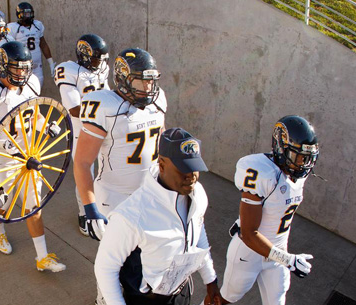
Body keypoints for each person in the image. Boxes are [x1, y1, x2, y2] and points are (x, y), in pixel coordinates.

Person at [95, 128, 221, 305]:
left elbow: (198, 231)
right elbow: (105, 267)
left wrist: (211, 280)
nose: (191, 177)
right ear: (161, 165)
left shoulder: (197, 193)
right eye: (184, 170)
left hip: (181, 291)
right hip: (146, 299)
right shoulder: (132, 215)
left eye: (195, 168)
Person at [0, 41, 65, 272]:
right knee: (4, 202)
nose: (22, 73)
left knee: (34, 205)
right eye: (16, 68)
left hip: (29, 152)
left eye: (25, 68)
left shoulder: (32, 83)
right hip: (2, 155)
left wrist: (46, 126)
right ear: (4, 67)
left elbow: (34, 116)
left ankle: (42, 257)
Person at [219, 116, 319, 305]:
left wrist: (283, 257)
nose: (303, 163)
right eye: (299, 156)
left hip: (278, 251)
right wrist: (287, 259)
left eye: (307, 158)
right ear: (282, 148)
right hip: (249, 252)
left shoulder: (298, 175)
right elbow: (249, 234)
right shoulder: (262, 172)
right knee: (225, 299)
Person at [74, 48, 168, 241]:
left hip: (150, 192)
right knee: (119, 263)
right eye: (141, 80)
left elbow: (162, 142)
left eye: (151, 80)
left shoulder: (158, 100)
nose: (148, 87)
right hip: (115, 197)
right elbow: (82, 162)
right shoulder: (104, 104)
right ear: (123, 79)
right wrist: (89, 208)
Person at [54, 33, 110, 236]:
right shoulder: (69, 70)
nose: (101, 62)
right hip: (82, 128)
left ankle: (102, 207)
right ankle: (84, 214)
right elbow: (75, 109)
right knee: (85, 172)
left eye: (103, 59)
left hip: (103, 125)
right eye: (97, 58)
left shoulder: (102, 68)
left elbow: (108, 93)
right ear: (85, 55)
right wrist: (103, 111)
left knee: (106, 170)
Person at [6, 2, 54, 87]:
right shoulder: (13, 28)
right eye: (25, 14)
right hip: (21, 67)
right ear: (19, 14)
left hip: (37, 67)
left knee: (38, 90)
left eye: (29, 14)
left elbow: (43, 44)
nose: (27, 16)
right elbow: (10, 48)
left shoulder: (37, 25)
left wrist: (51, 63)